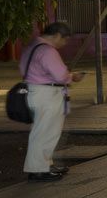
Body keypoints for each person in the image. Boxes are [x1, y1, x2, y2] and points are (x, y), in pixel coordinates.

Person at [20, 22, 85, 181]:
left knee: (42, 131)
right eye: (64, 40)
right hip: (47, 94)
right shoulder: (48, 51)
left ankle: (45, 164)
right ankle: (38, 170)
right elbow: (60, 75)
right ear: (57, 35)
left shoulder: (32, 47)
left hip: (35, 91)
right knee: (46, 132)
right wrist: (72, 76)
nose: (64, 44)